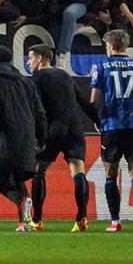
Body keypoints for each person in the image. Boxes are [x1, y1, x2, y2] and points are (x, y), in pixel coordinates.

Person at [88, 28, 133, 232]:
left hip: (111, 127)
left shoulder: (102, 66)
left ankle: (115, 221)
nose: (106, 49)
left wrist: (96, 119)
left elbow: (95, 98)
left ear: (112, 46)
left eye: (106, 45)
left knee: (110, 174)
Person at [25, 44, 93, 232]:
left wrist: (37, 133)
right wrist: (98, 121)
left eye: (30, 58)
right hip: (74, 129)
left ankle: (37, 220)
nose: (28, 62)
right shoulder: (64, 75)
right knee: (78, 172)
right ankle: (82, 217)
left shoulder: (37, 78)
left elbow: (37, 109)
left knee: (39, 171)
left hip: (52, 130)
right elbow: (83, 102)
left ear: (40, 58)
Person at [0, 45, 44, 231]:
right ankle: (24, 220)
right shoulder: (25, 81)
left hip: (4, 135)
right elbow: (39, 112)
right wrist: (41, 138)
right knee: (18, 177)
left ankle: (22, 201)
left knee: (1, 180)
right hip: (27, 135)